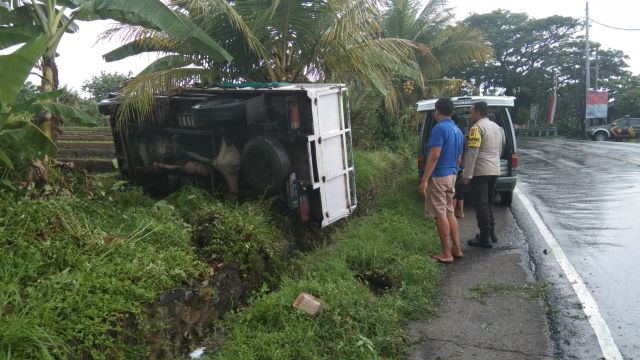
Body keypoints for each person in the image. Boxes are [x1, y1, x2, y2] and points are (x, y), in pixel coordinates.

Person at [419, 98, 465, 263]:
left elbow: (434, 155)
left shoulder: (439, 129)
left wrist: (425, 180)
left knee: (440, 215)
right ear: (451, 112)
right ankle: (457, 249)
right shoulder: (457, 130)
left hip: (439, 176)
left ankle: (446, 253)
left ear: (437, 111)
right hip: (452, 175)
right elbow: (460, 158)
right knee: (450, 212)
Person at [462, 101, 505, 248]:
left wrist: (467, 174)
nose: (470, 115)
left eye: (471, 112)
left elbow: (472, 153)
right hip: (495, 169)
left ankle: (485, 238)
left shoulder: (477, 128)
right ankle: (491, 233)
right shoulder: (497, 127)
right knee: (488, 203)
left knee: (481, 204)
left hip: (481, 171)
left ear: (478, 113)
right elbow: (500, 149)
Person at [452, 114, 467, 218]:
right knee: (460, 190)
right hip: (461, 165)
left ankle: (452, 213)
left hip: (454, 166)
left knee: (454, 190)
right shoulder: (461, 132)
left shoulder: (452, 131)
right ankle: (461, 212)